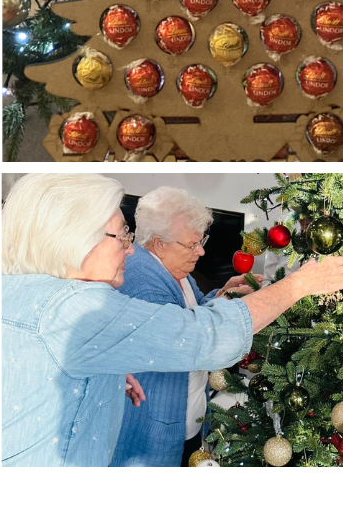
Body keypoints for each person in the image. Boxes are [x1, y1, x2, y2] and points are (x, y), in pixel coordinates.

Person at [2, 173, 343, 466]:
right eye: (122, 235)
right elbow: (205, 337)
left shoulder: (22, 292)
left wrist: (106, 363)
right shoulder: (75, 309)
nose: (130, 247)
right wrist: (301, 284)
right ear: (74, 240)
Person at [111, 187, 263, 467]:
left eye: (201, 240)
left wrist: (222, 295)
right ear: (158, 243)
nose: (201, 250)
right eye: (191, 244)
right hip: (155, 435)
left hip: (186, 423)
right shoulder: (143, 281)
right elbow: (191, 344)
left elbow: (189, 313)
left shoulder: (172, 268)